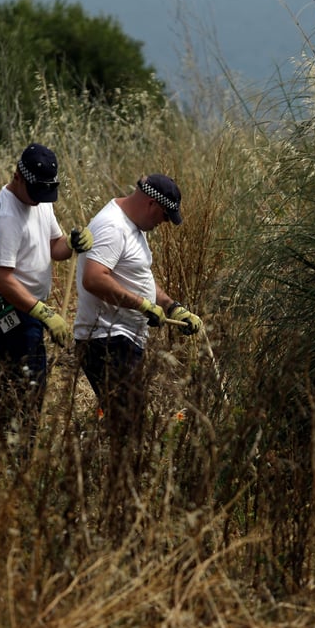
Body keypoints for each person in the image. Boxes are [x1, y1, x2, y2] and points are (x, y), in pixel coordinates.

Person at [72, 174, 203, 533]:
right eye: (163, 216)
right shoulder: (112, 226)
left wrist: (172, 307)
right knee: (128, 427)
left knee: (127, 423)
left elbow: (138, 276)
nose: (162, 225)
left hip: (125, 338)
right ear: (150, 204)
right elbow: (94, 278)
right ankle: (117, 509)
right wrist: (141, 305)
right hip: (104, 338)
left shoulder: (135, 228)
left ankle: (119, 500)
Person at [0, 143, 92, 460]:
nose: (40, 199)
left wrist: (71, 244)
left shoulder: (40, 200)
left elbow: (54, 245)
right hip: (4, 309)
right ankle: (18, 453)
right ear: (17, 176)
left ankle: (5, 446)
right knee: (28, 381)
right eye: (36, 192)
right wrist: (44, 313)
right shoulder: (5, 215)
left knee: (21, 383)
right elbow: (3, 279)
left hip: (29, 309)